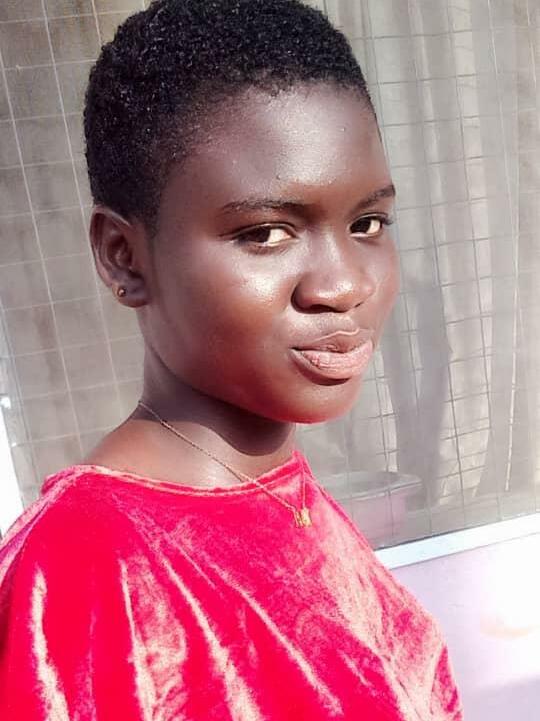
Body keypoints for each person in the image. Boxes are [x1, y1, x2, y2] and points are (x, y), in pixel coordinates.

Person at [0, 1, 463, 718]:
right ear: (124, 256)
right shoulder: (84, 568)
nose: (345, 284)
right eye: (267, 233)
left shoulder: (277, 487)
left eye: (368, 223)